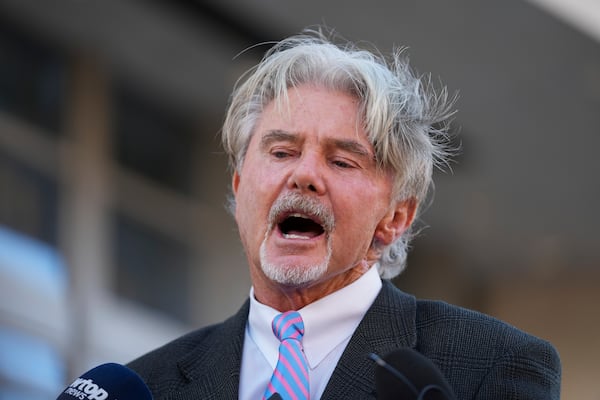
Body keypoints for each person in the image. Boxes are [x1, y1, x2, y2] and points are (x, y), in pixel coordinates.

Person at [128, 29, 561, 399]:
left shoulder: (492, 365)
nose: (305, 175)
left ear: (396, 217)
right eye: (282, 152)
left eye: (341, 162)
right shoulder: (145, 385)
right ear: (240, 188)